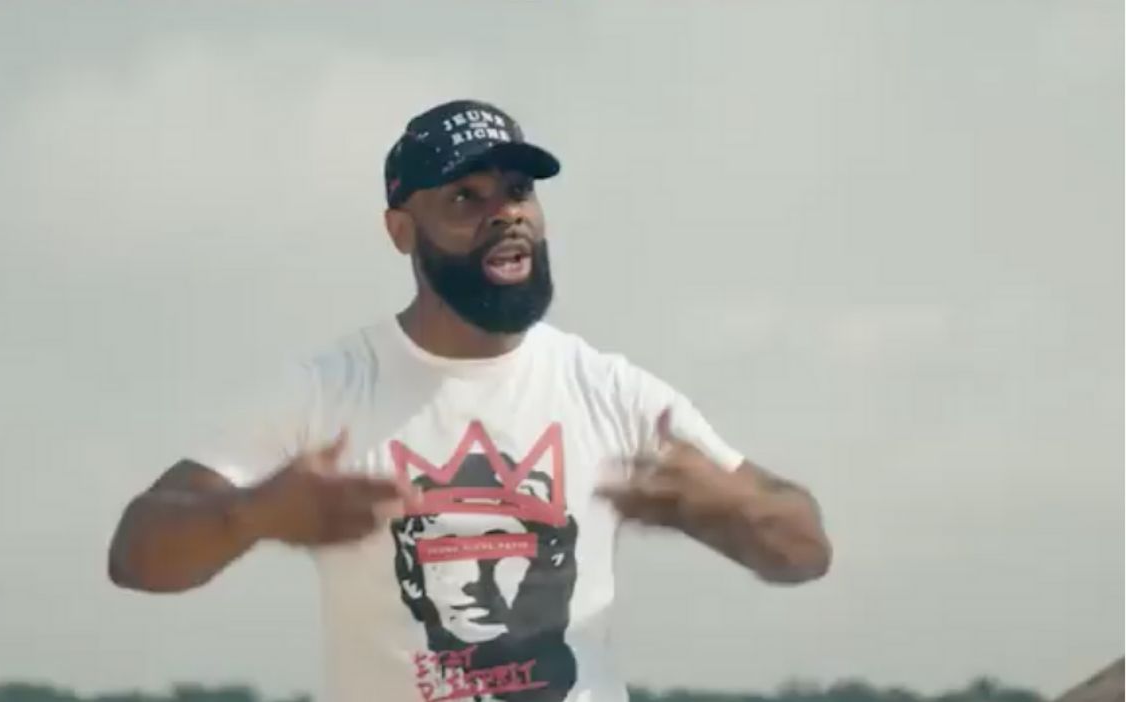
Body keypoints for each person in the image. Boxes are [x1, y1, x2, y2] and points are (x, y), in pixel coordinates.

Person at [107, 99, 833, 702]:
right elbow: (136, 556)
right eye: (466, 198)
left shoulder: (611, 391)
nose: (505, 214)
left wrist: (738, 508)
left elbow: (807, 552)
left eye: (518, 191)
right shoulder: (327, 392)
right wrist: (252, 515)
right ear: (401, 231)